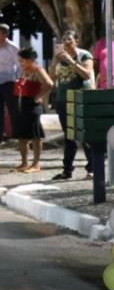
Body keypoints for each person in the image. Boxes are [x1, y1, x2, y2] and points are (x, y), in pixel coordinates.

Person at [49, 30, 95, 180]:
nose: (66, 42)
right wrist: (55, 62)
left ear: (77, 41)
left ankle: (92, 168)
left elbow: (86, 74)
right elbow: (51, 78)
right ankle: (67, 170)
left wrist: (70, 61)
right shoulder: (59, 57)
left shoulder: (84, 55)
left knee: (85, 135)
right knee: (69, 136)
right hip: (63, 100)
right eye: (64, 40)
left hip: (81, 100)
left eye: (69, 39)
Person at [13, 48, 53, 173]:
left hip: (32, 105)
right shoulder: (24, 71)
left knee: (35, 135)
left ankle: (36, 164)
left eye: (22, 61)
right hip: (22, 104)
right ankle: (24, 163)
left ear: (30, 60)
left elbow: (49, 84)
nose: (20, 63)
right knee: (22, 136)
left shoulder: (38, 70)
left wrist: (39, 97)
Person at [0, 24, 19, 144]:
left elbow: (19, 65)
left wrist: (18, 79)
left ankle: (17, 136)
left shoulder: (12, 47)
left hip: (8, 82)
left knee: (13, 110)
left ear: (5, 34)